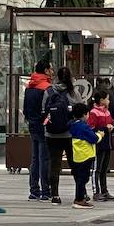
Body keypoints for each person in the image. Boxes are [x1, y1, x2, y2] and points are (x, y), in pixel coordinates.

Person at [42, 67, 74, 205]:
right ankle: (81, 193)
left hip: (51, 134)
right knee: (75, 164)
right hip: (69, 134)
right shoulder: (73, 92)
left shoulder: (48, 91)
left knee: (54, 164)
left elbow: (43, 111)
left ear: (57, 77)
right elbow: (81, 112)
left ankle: (54, 195)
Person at [22, 60, 52, 202]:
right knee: (44, 158)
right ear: (46, 70)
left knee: (35, 158)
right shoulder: (47, 88)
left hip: (32, 124)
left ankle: (34, 190)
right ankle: (46, 190)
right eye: (50, 69)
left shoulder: (29, 87)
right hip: (43, 126)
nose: (52, 71)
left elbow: (25, 108)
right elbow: (48, 110)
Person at [87, 87, 114, 201]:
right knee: (97, 169)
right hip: (98, 144)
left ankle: (105, 191)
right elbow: (91, 129)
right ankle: (96, 192)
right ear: (101, 100)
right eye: (107, 99)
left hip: (108, 144)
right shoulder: (93, 113)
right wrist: (105, 129)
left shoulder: (107, 112)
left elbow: (113, 124)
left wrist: (112, 127)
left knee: (104, 169)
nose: (109, 101)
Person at [67, 102, 100, 209]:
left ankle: (80, 198)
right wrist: (100, 135)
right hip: (86, 155)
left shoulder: (72, 125)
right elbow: (94, 139)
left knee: (80, 178)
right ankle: (79, 199)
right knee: (83, 179)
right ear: (85, 114)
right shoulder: (83, 127)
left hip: (77, 155)